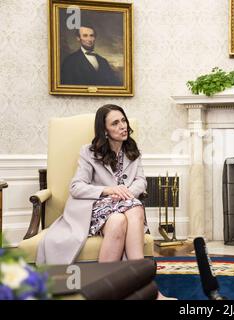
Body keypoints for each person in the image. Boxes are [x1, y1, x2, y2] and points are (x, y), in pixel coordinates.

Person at [36, 104, 173, 299]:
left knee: (121, 218)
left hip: (122, 208)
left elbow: (141, 181)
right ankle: (150, 289)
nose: (122, 126)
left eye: (123, 120)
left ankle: (102, 293)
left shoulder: (133, 151)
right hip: (95, 208)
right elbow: (76, 187)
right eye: (115, 123)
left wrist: (124, 193)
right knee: (134, 209)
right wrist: (108, 190)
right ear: (105, 130)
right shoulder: (89, 152)